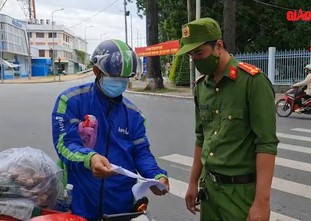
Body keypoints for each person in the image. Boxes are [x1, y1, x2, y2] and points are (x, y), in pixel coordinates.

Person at [51, 39, 169, 220]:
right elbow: (64, 144)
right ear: (97, 71)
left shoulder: (134, 115)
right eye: (115, 78)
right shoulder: (71, 100)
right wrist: (90, 159)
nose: (120, 84)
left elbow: (141, 153)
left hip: (121, 206)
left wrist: (156, 175)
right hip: (78, 202)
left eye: (124, 80)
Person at [176, 17, 278, 221]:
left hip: (240, 193)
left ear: (219, 46)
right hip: (210, 190)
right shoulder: (201, 88)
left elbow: (266, 144)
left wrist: (261, 202)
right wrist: (193, 182)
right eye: (191, 55)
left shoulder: (252, 83)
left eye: (199, 52)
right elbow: (201, 137)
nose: (196, 60)